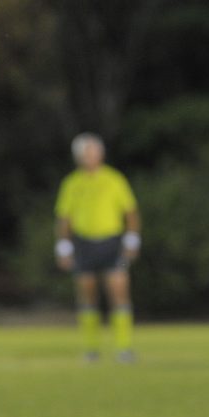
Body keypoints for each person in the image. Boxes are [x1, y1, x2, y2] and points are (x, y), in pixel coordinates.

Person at [54, 133, 141, 363]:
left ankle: (123, 347)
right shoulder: (72, 183)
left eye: (94, 152)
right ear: (79, 157)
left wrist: (132, 240)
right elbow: (64, 217)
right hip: (83, 244)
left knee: (119, 292)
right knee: (87, 294)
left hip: (112, 243)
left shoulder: (114, 179)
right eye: (87, 153)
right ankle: (91, 348)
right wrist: (63, 247)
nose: (91, 157)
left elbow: (130, 212)